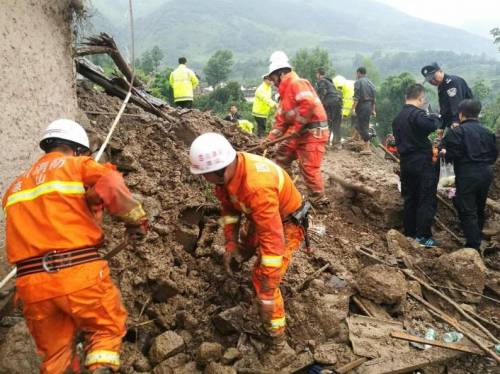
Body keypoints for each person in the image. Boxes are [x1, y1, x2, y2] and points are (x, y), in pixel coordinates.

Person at [2, 119, 149, 374]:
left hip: (32, 287)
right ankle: (101, 368)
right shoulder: (77, 165)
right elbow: (112, 183)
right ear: (79, 149)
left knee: (56, 357)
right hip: (77, 274)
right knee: (106, 328)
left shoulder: (16, 185)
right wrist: (136, 221)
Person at [189, 133, 307, 361]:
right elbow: (230, 210)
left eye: (205, 175)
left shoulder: (256, 187)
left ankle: (278, 343)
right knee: (244, 249)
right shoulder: (229, 172)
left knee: (264, 281)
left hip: (287, 224)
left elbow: (273, 241)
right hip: (259, 214)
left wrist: (267, 287)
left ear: (219, 171)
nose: (204, 179)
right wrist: (232, 244)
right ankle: (248, 269)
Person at [265, 51, 330, 207]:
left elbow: (308, 104)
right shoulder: (284, 94)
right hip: (299, 133)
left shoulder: (297, 83)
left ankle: (319, 202)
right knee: (282, 156)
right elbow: (280, 122)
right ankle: (289, 193)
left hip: (313, 132)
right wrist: (268, 141)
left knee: (308, 167)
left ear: (280, 73)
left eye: (273, 78)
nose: (273, 82)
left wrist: (298, 126)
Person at [441, 99, 497, 249]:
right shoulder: (488, 132)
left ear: (461, 114)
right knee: (479, 206)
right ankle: (477, 236)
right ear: (478, 114)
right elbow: (494, 155)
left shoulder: (457, 132)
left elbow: (451, 155)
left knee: (467, 210)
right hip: (486, 172)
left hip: (467, 173)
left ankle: (473, 246)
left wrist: (445, 152)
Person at [392, 84, 441, 248]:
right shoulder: (417, 115)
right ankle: (424, 237)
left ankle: (409, 233)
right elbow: (432, 125)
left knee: (410, 198)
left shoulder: (398, 117)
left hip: (406, 162)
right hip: (422, 161)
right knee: (426, 198)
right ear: (420, 98)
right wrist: (436, 116)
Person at [421, 62, 473, 135]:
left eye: (433, 77)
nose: (432, 81)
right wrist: (442, 126)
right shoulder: (442, 86)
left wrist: (456, 121)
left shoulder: (452, 82)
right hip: (454, 124)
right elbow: (445, 109)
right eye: (429, 80)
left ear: (440, 71)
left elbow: (456, 104)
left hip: (464, 122)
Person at [316, 68, 343, 149]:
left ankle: (326, 142)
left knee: (328, 122)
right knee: (336, 123)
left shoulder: (322, 81)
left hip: (330, 103)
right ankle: (337, 143)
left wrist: (318, 105)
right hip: (338, 102)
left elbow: (322, 93)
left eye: (316, 74)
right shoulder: (330, 82)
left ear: (319, 74)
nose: (316, 76)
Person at [352, 67, 376, 154]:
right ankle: (356, 139)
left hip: (362, 106)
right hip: (369, 106)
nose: (356, 75)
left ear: (359, 73)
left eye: (356, 73)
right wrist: (373, 110)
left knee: (363, 126)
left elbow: (356, 98)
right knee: (359, 124)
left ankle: (367, 148)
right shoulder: (371, 83)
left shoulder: (358, 82)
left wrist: (353, 108)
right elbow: (374, 99)